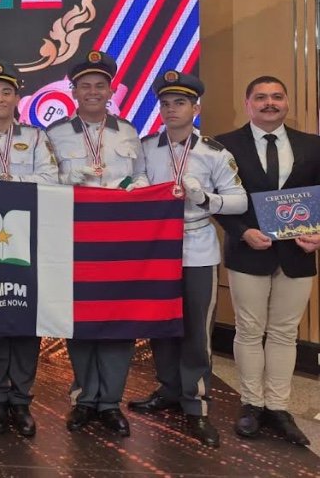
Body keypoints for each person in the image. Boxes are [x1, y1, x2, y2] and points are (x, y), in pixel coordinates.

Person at [127, 71, 247, 447]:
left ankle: (196, 404)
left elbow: (240, 199)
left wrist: (207, 200)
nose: (172, 109)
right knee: (161, 326)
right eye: (165, 103)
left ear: (196, 107)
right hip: (156, 248)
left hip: (197, 247)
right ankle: (168, 390)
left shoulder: (214, 152)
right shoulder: (146, 147)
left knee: (196, 329)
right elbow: (135, 182)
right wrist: (136, 187)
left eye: (180, 102)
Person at [46, 50, 148, 437]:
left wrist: (136, 188)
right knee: (81, 323)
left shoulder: (128, 132)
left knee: (119, 323)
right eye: (84, 85)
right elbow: (46, 186)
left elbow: (140, 180)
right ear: (73, 91)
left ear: (112, 90)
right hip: (75, 241)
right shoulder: (54, 135)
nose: (92, 91)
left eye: (99, 85)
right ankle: (85, 399)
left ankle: (111, 403)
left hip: (120, 243)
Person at [214, 76, 320, 447]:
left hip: (298, 254)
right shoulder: (224, 146)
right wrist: (242, 231)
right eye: (261, 97)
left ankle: (278, 406)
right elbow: (215, 200)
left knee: (284, 332)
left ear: (287, 102)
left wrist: (317, 235)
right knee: (249, 329)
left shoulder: (312, 145)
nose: (269, 103)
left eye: (277, 97)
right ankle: (251, 405)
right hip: (248, 251)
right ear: (248, 104)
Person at [0, 62, 59, 438]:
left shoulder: (36, 138)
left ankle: (21, 400)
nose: (0, 98)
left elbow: (51, 178)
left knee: (24, 316)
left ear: (17, 98)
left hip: (26, 239)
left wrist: (7, 181)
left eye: (6, 92)